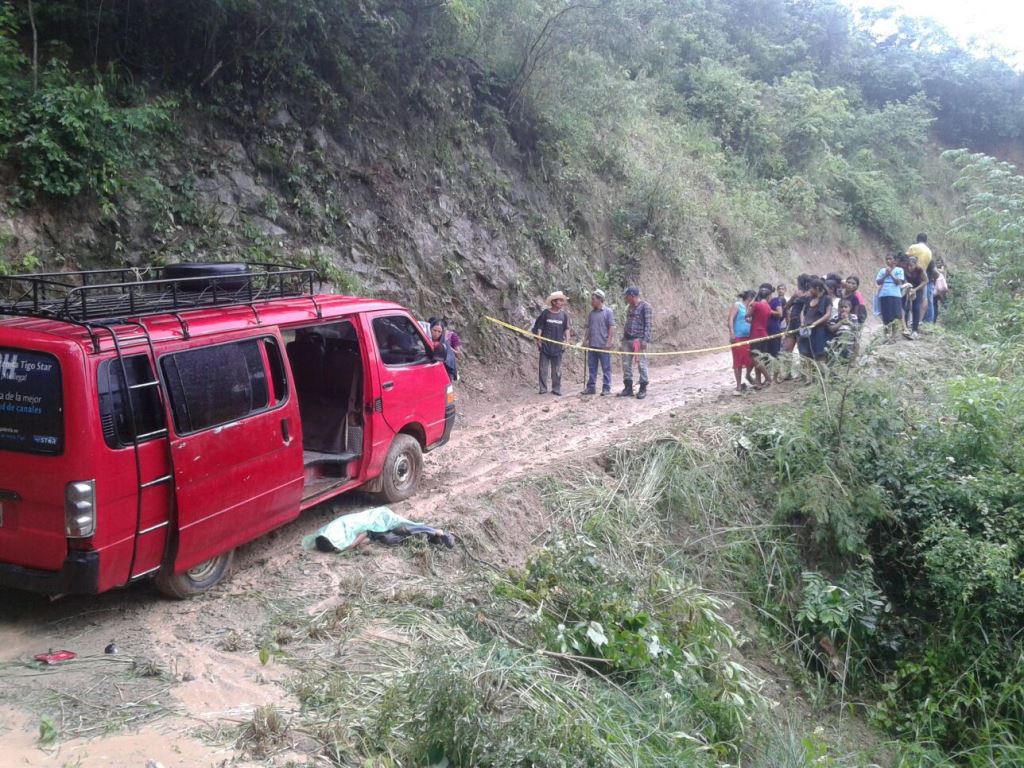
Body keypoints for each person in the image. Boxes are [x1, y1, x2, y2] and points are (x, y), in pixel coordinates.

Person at [531, 291, 571, 396]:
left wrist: (567, 341)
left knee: (557, 370)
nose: (562, 303)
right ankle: (543, 388)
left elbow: (566, 329)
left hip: (558, 347)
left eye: (562, 301)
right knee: (543, 368)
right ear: (553, 302)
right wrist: (539, 340)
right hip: (545, 346)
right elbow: (540, 327)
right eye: (560, 301)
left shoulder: (563, 315)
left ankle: (556, 388)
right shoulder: (545, 313)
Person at [618, 286, 652, 400]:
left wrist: (645, 339)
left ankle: (643, 388)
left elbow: (648, 324)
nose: (626, 298)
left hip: (638, 340)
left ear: (632, 295)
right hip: (627, 339)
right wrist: (623, 338)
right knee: (626, 364)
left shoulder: (645, 307)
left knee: (641, 364)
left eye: (627, 296)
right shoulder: (630, 307)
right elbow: (628, 322)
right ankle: (628, 387)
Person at [581, 289, 615, 396]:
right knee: (592, 367)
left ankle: (606, 388)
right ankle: (591, 387)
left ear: (600, 299)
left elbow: (611, 327)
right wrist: (585, 340)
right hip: (592, 345)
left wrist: (609, 342)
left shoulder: (608, 312)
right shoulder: (591, 314)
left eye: (593, 299)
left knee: (606, 367)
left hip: (603, 345)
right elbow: (588, 328)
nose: (591, 301)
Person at [782, 275, 811, 380]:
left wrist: (801, 297)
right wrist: (794, 297)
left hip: (801, 323)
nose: (797, 283)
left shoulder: (809, 294)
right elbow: (786, 307)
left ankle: (804, 374)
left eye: (798, 282)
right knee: (786, 349)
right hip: (792, 323)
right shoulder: (797, 293)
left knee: (802, 350)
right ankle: (788, 372)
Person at [799, 278, 832, 373]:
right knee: (805, 353)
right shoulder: (809, 299)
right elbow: (803, 312)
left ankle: (824, 376)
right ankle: (808, 378)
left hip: (818, 331)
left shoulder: (826, 299)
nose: (809, 291)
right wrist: (802, 322)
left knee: (819, 355)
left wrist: (815, 323)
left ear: (817, 288)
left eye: (811, 289)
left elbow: (827, 314)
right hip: (806, 330)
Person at [747, 283, 775, 388]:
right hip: (764, 333)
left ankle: (768, 378)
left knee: (755, 358)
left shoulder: (756, 305)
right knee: (759, 358)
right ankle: (758, 382)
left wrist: (752, 301)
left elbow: (747, 314)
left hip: (755, 334)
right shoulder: (768, 307)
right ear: (768, 297)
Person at [729, 290, 755, 396]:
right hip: (738, 337)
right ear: (749, 298)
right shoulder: (737, 305)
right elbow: (730, 319)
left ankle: (748, 375)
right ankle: (738, 385)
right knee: (738, 361)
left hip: (749, 337)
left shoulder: (750, 308)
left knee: (751, 358)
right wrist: (732, 333)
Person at [875, 253, 905, 342]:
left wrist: (890, 273)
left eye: (890, 259)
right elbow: (878, 282)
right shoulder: (882, 270)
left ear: (895, 260)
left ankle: (893, 336)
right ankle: (886, 335)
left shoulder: (899, 270)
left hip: (895, 294)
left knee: (895, 316)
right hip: (884, 294)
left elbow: (898, 282)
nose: (888, 261)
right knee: (886, 315)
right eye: (887, 259)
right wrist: (885, 275)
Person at [906, 233, 935, 323]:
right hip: (923, 274)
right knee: (924, 299)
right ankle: (919, 320)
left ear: (917, 239)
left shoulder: (913, 247)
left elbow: (906, 259)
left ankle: (911, 318)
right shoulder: (929, 251)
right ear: (926, 241)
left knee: (910, 295)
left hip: (911, 273)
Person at [901, 254, 926, 340]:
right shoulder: (904, 269)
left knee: (916, 307)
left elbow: (925, 281)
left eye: (911, 265)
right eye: (908, 265)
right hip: (908, 288)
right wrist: (907, 288)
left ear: (915, 265)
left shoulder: (920, 270)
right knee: (905, 306)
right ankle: (905, 328)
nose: (909, 267)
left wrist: (915, 289)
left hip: (918, 289)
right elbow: (903, 279)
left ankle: (915, 329)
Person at [768, 284, 787, 382]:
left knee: (776, 353)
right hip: (767, 330)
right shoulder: (765, 302)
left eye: (782, 288)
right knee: (769, 354)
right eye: (779, 289)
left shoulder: (776, 301)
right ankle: (771, 376)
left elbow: (783, 314)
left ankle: (776, 376)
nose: (780, 290)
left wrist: (787, 328)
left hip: (778, 328)